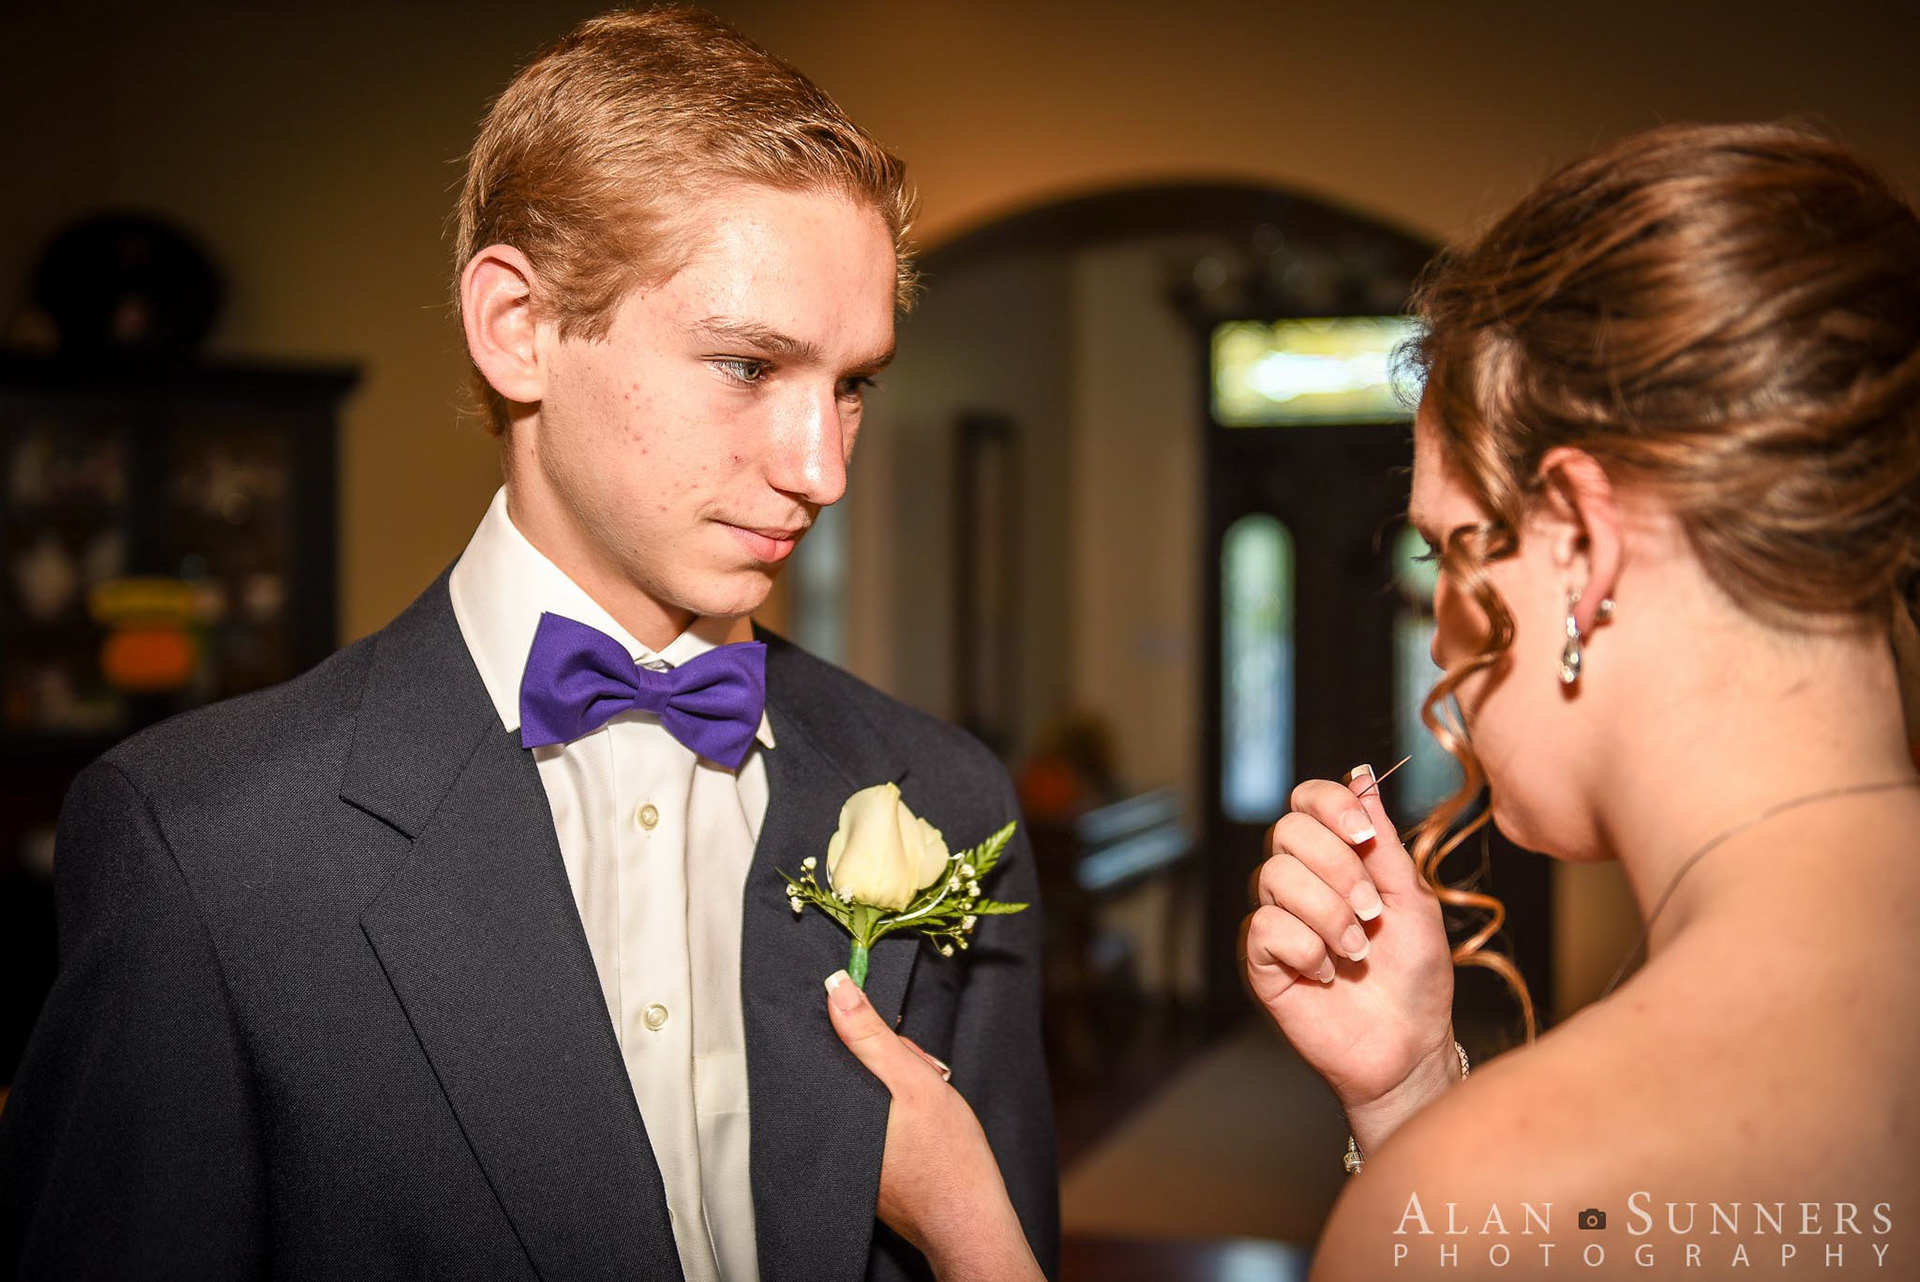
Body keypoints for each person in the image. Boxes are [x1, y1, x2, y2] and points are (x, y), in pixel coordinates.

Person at [0, 9, 1057, 1280]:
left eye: (852, 386)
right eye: (745, 365)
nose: (821, 468)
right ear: (516, 325)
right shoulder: (206, 844)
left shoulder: (945, 795)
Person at [830, 121, 1920, 1279]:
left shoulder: (1515, 1191)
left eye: (1448, 550)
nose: (1435, 626)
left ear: (1581, 546)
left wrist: (967, 1224)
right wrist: (1410, 1094)